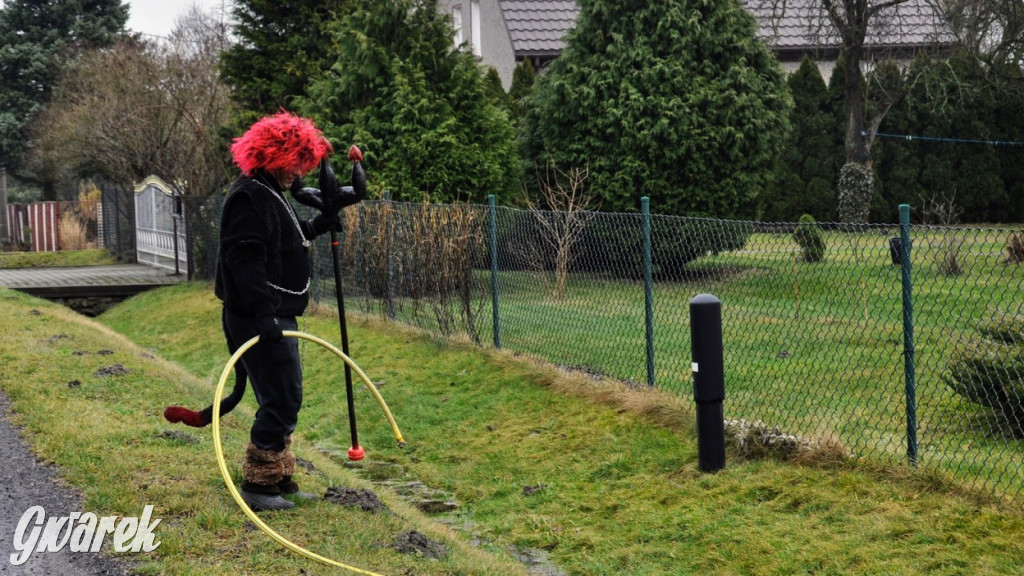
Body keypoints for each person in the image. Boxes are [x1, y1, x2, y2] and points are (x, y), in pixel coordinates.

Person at [167, 110, 363, 511]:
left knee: (282, 393)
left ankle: (278, 476)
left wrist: (319, 225)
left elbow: (285, 241)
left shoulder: (268, 191)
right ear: (272, 156)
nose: (297, 172)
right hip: (257, 315)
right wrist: (265, 314)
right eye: (292, 163)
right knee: (282, 397)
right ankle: (258, 486)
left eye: (301, 164)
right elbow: (246, 263)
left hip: (272, 313)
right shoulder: (249, 196)